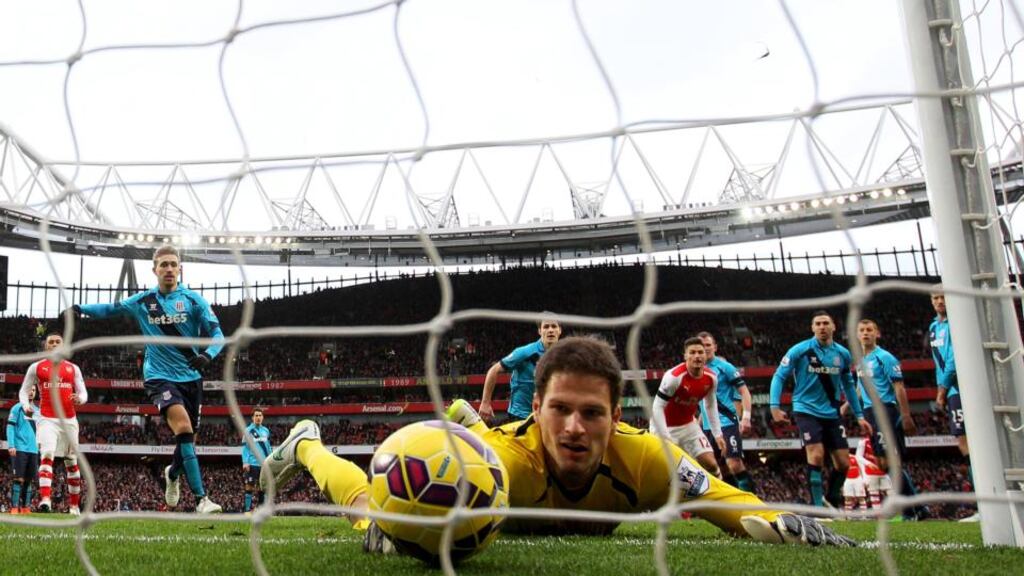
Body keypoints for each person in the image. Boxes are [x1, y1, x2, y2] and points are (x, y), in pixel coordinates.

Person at [263, 336, 855, 550]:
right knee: (372, 514)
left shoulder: (648, 459)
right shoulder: (503, 472)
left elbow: (729, 504)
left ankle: (466, 418)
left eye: (591, 413)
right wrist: (399, 531)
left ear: (615, 415)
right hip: (490, 452)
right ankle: (308, 445)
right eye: (560, 410)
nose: (575, 427)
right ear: (539, 408)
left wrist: (783, 523)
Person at [70, 245, 223, 514]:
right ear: (154, 270)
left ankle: (172, 474)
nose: (168, 269)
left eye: (173, 264)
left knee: (187, 441)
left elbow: (218, 333)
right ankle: (202, 499)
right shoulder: (144, 301)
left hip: (192, 378)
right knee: (184, 429)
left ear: (180, 269)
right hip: (159, 377)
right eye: (163, 264)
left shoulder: (194, 300)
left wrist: (209, 355)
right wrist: (80, 308)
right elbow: (110, 308)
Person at [769, 311, 872, 509]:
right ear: (812, 328)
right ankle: (817, 508)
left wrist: (859, 416)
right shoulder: (800, 350)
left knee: (843, 464)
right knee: (815, 455)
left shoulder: (842, 354)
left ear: (834, 326)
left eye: (826, 323)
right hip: (805, 409)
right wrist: (774, 406)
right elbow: (779, 376)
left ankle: (832, 500)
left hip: (832, 413)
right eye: (818, 324)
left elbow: (849, 386)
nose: (822, 327)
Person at [854, 318, 926, 520]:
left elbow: (899, 387)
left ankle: (911, 509)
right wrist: (845, 407)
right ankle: (916, 507)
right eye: (862, 330)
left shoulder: (885, 357)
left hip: (885, 410)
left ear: (877, 333)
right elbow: (860, 388)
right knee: (884, 462)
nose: (866, 333)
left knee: (892, 462)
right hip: (870, 412)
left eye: (869, 329)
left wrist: (905, 415)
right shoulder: (860, 361)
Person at [20, 333, 88, 515]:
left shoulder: (73, 369)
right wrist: (26, 405)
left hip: (69, 420)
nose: (55, 344)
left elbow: (83, 393)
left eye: (58, 341)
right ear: (46, 346)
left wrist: (79, 399)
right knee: (47, 454)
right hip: (46, 418)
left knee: (71, 461)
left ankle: (74, 506)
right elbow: (23, 390)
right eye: (51, 342)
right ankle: (45, 501)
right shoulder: (36, 367)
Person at [928, 288, 976, 522]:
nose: (939, 301)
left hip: (962, 388)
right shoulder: (933, 327)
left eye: (943, 297)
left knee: (968, 441)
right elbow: (939, 361)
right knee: (963, 442)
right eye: (935, 298)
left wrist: (942, 390)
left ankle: (984, 501)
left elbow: (953, 360)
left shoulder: (957, 323)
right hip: (952, 391)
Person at [650, 337, 724, 478]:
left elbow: (710, 404)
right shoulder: (674, 377)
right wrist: (665, 437)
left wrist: (717, 433)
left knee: (711, 465)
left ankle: (720, 498)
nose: (697, 356)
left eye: (700, 352)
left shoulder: (711, 378)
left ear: (705, 355)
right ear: (685, 356)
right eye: (692, 352)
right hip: (663, 427)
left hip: (689, 426)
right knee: (670, 472)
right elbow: (657, 407)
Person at [696, 331, 755, 492]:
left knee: (734, 463)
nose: (705, 348)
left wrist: (746, 418)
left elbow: (744, 392)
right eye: (702, 346)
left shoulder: (724, 367)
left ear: (715, 347)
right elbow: (704, 404)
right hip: (708, 427)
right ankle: (736, 503)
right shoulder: (696, 370)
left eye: (708, 345)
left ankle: (752, 503)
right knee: (718, 468)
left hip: (727, 423)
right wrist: (698, 426)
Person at [479, 315, 562, 422]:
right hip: (521, 416)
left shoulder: (564, 355)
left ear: (559, 330)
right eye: (546, 327)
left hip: (547, 417)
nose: (550, 330)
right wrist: (485, 402)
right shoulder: (525, 352)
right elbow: (493, 370)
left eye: (554, 326)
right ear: (539, 331)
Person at [6, 385, 39, 514]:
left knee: (29, 480)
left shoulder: (37, 410)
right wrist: (11, 445)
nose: (31, 392)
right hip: (19, 448)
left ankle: (26, 508)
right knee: (18, 479)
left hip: (33, 450)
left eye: (34, 390)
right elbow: (10, 427)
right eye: (29, 389)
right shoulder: (17, 408)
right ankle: (14, 508)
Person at [241, 408, 272, 513]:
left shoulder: (266, 431)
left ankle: (261, 510)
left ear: (262, 417)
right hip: (252, 463)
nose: (258, 417)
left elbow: (268, 447)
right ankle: (247, 510)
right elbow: (245, 447)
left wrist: (271, 459)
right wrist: (245, 462)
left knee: (262, 487)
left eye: (260, 415)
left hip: (264, 464)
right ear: (252, 418)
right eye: (256, 415)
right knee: (249, 486)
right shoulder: (248, 430)